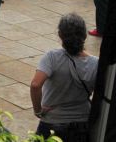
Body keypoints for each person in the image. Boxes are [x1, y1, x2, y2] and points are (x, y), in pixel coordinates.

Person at [30, 13, 97, 142]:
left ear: (60, 35)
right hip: (82, 121)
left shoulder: (52, 57)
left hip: (52, 121)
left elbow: (35, 85)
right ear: (85, 36)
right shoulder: (95, 63)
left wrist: (38, 111)